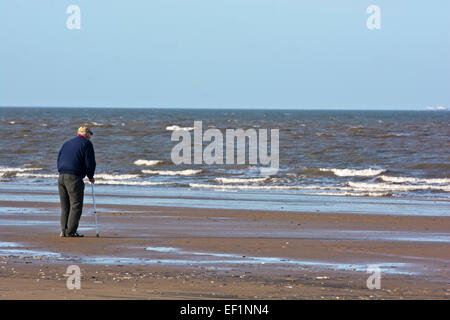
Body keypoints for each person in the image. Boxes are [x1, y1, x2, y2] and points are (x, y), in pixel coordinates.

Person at [57, 126, 96, 237]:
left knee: (65, 206)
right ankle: (71, 232)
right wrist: (90, 176)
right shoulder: (86, 144)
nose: (90, 137)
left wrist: (61, 171)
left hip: (61, 176)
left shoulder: (67, 143)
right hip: (74, 178)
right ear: (86, 134)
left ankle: (64, 231)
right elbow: (90, 162)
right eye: (90, 135)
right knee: (76, 205)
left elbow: (59, 158)